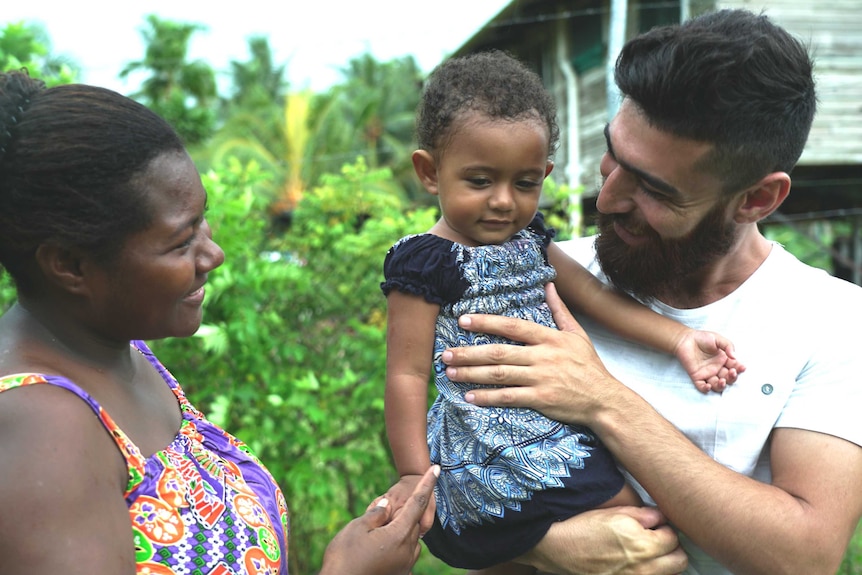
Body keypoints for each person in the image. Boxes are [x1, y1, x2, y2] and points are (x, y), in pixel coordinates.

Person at [439, 10, 862, 575]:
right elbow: (442, 471)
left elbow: (804, 555)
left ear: (756, 200)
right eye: (615, 155)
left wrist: (602, 399)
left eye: (654, 188)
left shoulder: (833, 322)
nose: (608, 198)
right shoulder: (533, 278)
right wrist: (544, 545)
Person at [0, 69, 439, 575]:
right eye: (181, 242)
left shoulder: (122, 351)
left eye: (201, 220)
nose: (214, 253)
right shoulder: (39, 435)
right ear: (70, 265)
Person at [378, 51, 743, 574]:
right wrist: (415, 474)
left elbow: (595, 297)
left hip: (559, 421)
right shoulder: (424, 264)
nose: (504, 201)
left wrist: (679, 340)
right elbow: (407, 376)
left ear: (545, 173)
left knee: (640, 528)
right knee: (630, 525)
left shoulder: (531, 241)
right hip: (489, 432)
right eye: (480, 181)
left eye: (525, 183)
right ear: (430, 172)